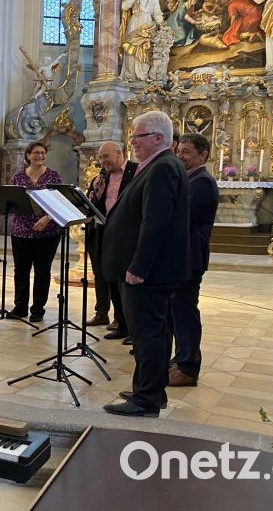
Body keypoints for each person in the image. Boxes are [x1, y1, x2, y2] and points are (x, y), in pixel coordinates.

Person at [102, 111, 190, 417]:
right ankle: (152, 390)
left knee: (148, 336)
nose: (133, 143)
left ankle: (146, 399)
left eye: (137, 137)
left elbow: (156, 223)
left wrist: (139, 267)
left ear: (157, 137)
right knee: (156, 333)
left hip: (149, 273)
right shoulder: (157, 166)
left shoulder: (164, 167)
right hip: (155, 271)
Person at [170, 134, 219, 387]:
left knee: (186, 312)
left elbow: (182, 218)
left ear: (203, 155)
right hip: (179, 256)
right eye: (179, 151)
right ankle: (181, 359)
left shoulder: (202, 182)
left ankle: (188, 367)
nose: (180, 156)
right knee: (177, 311)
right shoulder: (189, 179)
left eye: (187, 152)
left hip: (189, 257)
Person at [84, 142, 137, 340]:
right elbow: (92, 206)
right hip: (103, 233)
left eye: (106, 156)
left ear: (119, 153)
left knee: (125, 283)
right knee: (111, 277)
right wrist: (94, 195)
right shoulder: (101, 178)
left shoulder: (136, 171)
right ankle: (121, 324)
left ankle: (133, 328)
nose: (103, 161)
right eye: (100, 158)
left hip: (127, 235)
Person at [8, 141, 62, 323]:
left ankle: (38, 309)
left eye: (42, 153)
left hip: (47, 231)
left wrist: (47, 218)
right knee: (21, 270)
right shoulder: (17, 177)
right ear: (28, 155)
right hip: (21, 231)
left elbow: (59, 202)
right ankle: (20, 306)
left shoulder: (53, 175)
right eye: (36, 153)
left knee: (42, 270)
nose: (40, 156)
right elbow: (11, 200)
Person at [120, 0, 164, 81]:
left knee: (146, 49)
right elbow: (124, 6)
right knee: (132, 47)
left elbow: (157, 14)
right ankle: (131, 74)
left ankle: (143, 74)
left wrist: (162, 24)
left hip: (148, 26)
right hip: (135, 23)